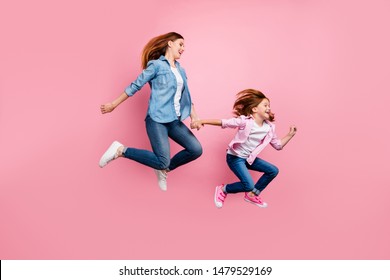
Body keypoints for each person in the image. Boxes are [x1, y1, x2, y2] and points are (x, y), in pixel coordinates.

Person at [99, 32, 203, 191]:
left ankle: (164, 170)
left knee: (196, 149)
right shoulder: (156, 65)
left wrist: (194, 117)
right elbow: (135, 85)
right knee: (163, 159)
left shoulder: (181, 70)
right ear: (170, 43)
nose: (183, 48)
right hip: (157, 119)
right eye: (181, 44)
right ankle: (120, 150)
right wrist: (113, 104)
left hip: (174, 121)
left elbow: (187, 97)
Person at [192, 89, 297, 208]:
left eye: (269, 106)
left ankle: (252, 195)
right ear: (254, 109)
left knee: (273, 170)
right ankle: (223, 189)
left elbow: (278, 145)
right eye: (265, 105)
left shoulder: (269, 128)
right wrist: (201, 121)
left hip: (249, 158)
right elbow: (223, 122)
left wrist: (290, 135)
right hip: (235, 158)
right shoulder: (245, 122)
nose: (269, 108)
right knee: (248, 185)